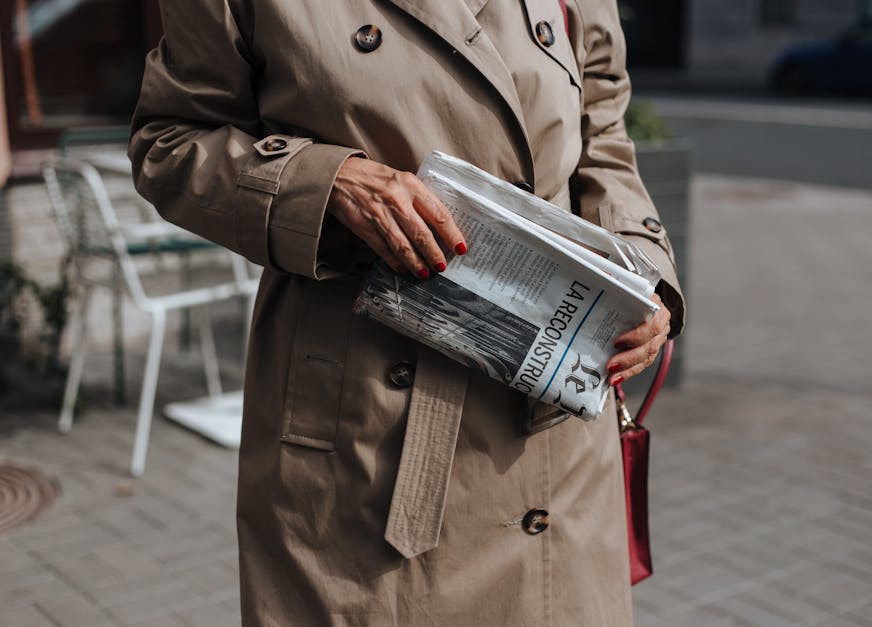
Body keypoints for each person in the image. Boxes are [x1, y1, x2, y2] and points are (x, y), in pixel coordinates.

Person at [129, 0, 684, 624]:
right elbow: (169, 141)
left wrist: (642, 273)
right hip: (368, 429)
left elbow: (602, 128)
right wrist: (326, 182)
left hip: (555, 421)